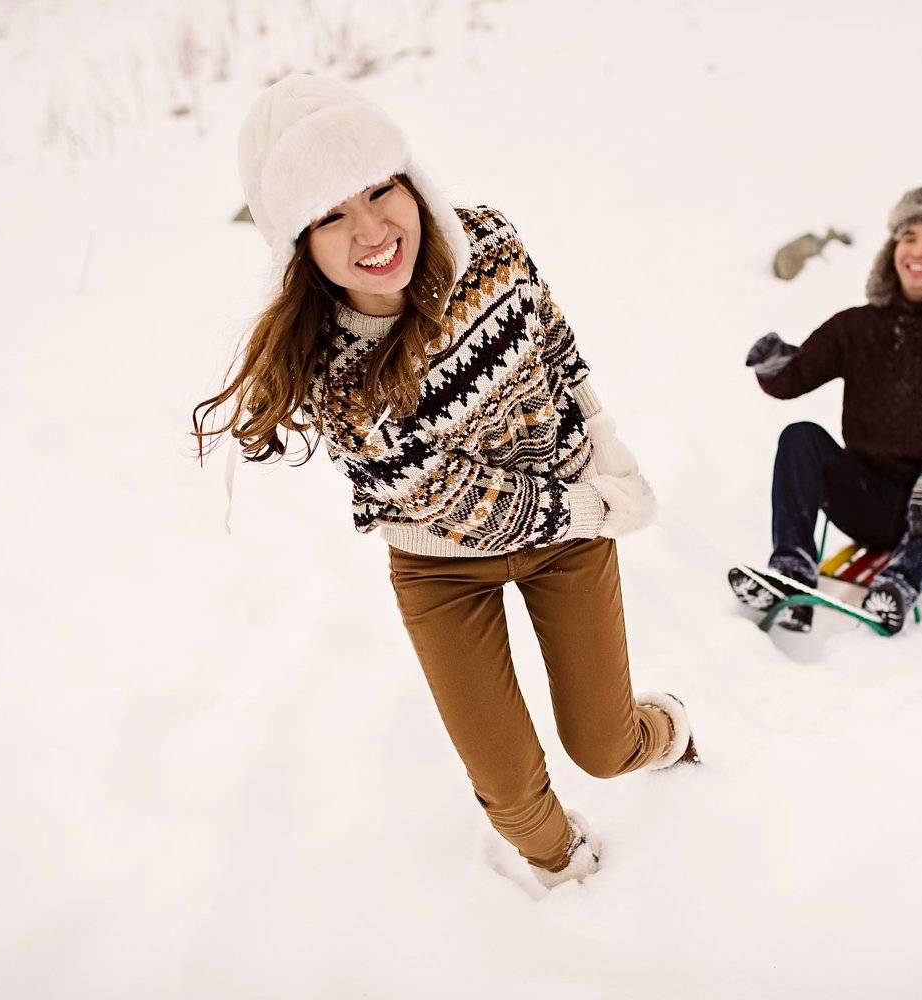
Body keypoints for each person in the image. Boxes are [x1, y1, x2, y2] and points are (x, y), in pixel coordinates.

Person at [194, 76, 697, 889]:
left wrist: (607, 446)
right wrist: (593, 507)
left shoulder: (490, 242)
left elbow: (552, 341)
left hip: (568, 536)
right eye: (329, 216)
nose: (371, 231)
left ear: (411, 180)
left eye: (378, 189)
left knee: (605, 749)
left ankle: (668, 733)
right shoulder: (336, 375)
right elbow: (458, 502)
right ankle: (573, 880)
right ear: (298, 245)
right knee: (512, 793)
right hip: (444, 567)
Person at [730, 186, 922, 634]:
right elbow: (793, 379)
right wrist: (773, 361)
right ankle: (792, 571)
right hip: (864, 498)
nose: (919, 251)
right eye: (909, 237)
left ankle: (902, 582)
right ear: (892, 249)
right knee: (800, 436)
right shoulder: (859, 326)